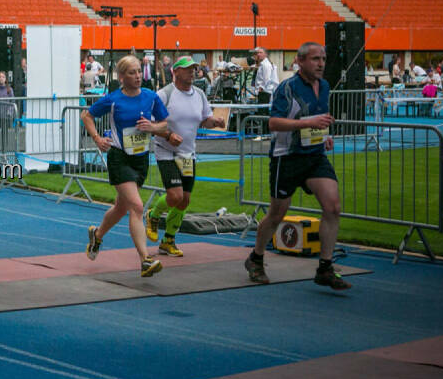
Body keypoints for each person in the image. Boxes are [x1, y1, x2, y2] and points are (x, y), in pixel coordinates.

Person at [244, 41, 350, 290]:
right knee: (277, 214)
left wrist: (324, 134)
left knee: (333, 207)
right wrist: (308, 123)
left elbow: (317, 118)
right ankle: (256, 258)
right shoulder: (286, 88)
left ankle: (325, 267)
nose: (321, 64)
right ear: (300, 62)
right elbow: (273, 123)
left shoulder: (324, 86)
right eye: (315, 59)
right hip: (286, 157)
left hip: (313, 156)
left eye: (323, 59)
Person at [81, 55, 169, 278]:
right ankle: (145, 260)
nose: (138, 76)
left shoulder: (151, 97)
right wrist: (97, 138)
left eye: (139, 71)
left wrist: (152, 127)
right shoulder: (113, 99)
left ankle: (97, 235)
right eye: (132, 72)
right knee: (137, 207)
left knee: (122, 208)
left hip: (140, 158)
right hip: (119, 158)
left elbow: (165, 124)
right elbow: (87, 115)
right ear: (121, 77)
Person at [144, 57, 226, 257]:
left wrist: (214, 121)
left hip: (188, 153)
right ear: (176, 72)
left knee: (184, 200)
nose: (193, 72)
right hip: (166, 151)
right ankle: (153, 215)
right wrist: (168, 135)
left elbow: (204, 119)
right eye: (188, 69)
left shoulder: (199, 94)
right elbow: (149, 124)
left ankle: (168, 240)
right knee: (175, 195)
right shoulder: (164, 95)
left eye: (195, 69)